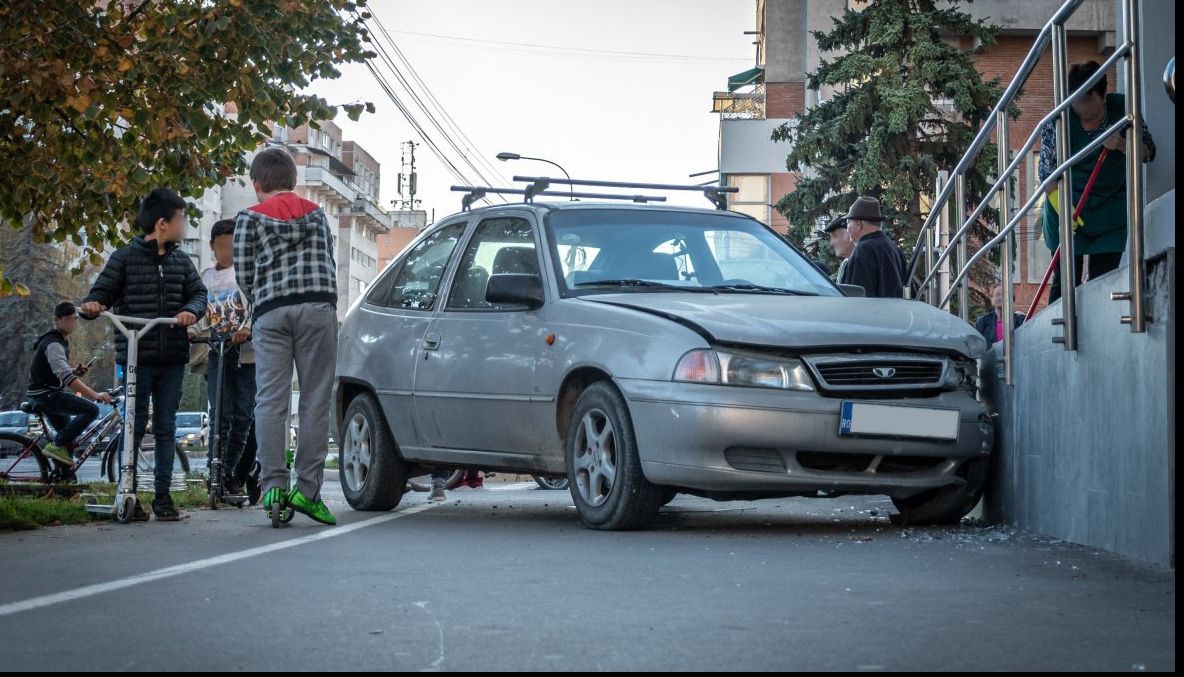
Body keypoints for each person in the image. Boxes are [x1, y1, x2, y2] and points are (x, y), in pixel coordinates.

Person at [81, 188, 206, 521]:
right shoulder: (124, 258)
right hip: (136, 358)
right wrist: (94, 306)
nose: (184, 226)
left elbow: (198, 295)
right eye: (181, 219)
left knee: (166, 427)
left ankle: (163, 498)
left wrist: (190, 312)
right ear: (163, 223)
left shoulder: (182, 261)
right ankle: (128, 492)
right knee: (132, 427)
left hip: (172, 356)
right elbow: (100, 294)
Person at [234, 147, 339, 526]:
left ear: (257, 183)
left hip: (272, 311)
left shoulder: (248, 218)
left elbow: (244, 273)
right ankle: (307, 492)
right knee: (314, 399)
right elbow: (326, 254)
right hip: (318, 307)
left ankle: (273, 486)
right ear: (294, 182)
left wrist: (262, 299)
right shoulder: (316, 213)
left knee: (271, 400)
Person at [1040, 60, 1156, 303]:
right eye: (1076, 102)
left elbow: (1149, 152)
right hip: (1068, 210)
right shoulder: (1058, 119)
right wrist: (1064, 210)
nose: (1081, 110)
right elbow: (1047, 175)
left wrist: (1124, 145)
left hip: (1109, 216)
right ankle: (1060, 338)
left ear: (1103, 96)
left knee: (1102, 285)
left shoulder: (1124, 109)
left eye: (1087, 102)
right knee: (1064, 285)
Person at [190, 219, 256, 495]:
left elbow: (258, 307)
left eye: (231, 246)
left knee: (243, 415)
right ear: (213, 248)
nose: (227, 252)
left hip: (248, 356)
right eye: (222, 247)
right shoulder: (205, 278)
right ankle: (214, 472)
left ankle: (229, 471)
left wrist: (247, 329)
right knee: (220, 415)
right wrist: (192, 331)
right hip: (218, 353)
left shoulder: (248, 275)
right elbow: (199, 313)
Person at [25, 301, 114, 464]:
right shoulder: (53, 343)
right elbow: (68, 380)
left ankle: (64, 479)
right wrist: (95, 395)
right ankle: (56, 445)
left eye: (74, 319)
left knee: (68, 443)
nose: (72, 323)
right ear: (56, 320)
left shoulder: (59, 340)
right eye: (68, 319)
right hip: (45, 395)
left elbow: (57, 371)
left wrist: (74, 371)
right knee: (92, 410)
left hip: (46, 393)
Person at [841, 196, 906, 298]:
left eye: (848, 222)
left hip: (873, 313)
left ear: (858, 224)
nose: (847, 228)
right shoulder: (893, 247)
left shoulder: (863, 251)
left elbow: (856, 299)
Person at [823, 215, 854, 284]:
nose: (832, 243)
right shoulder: (846, 263)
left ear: (850, 235)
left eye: (835, 236)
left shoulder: (861, 262)